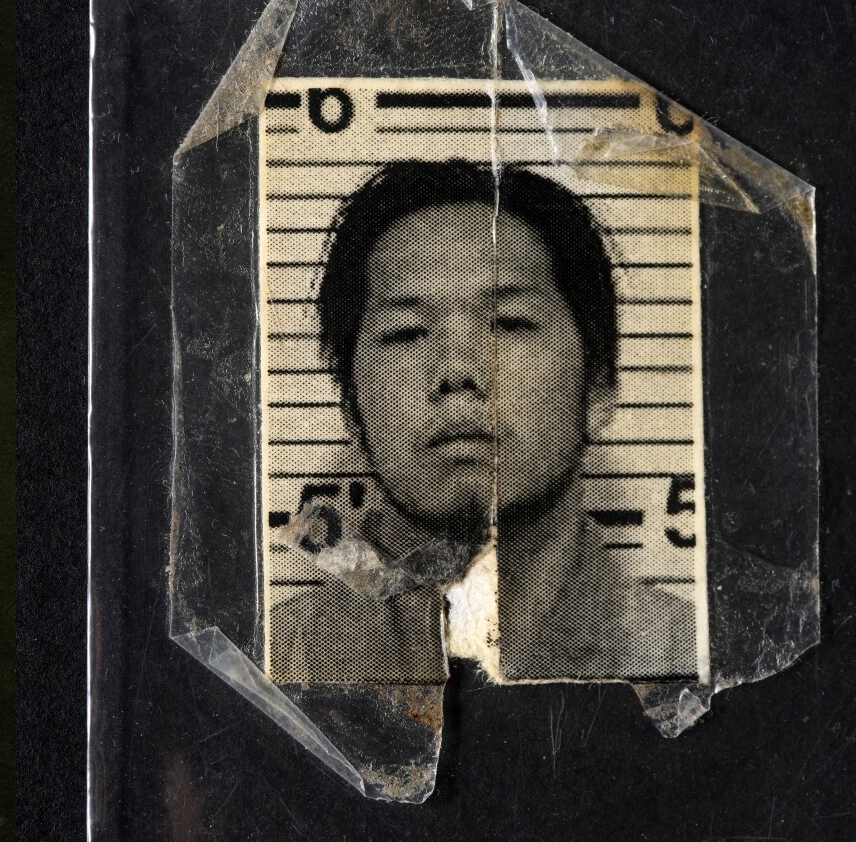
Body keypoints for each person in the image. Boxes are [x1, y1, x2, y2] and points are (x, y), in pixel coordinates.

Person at [292, 158, 695, 681]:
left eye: (508, 322)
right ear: (350, 407)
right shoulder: (279, 664)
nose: (458, 369)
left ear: (598, 390)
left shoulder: (687, 657)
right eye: (406, 333)